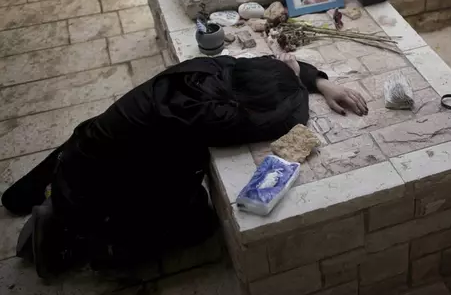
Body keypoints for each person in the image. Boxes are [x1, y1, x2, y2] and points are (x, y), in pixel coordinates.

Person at [3, 54, 367, 278]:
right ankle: (87, 240)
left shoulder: (212, 70)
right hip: (101, 188)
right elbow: (284, 118)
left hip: (85, 152)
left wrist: (316, 78)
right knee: (201, 226)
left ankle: (67, 207)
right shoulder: (213, 116)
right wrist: (308, 83)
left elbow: (267, 65)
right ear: (250, 106)